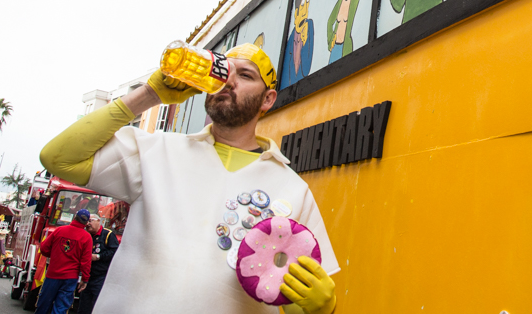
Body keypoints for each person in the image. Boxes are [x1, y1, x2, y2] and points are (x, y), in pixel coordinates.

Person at [40, 44, 339, 314]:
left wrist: (323, 309)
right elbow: (58, 159)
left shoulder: (294, 189)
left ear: (267, 99)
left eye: (245, 75)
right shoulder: (156, 150)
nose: (229, 81)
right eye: (224, 71)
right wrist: (150, 94)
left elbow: (294, 299)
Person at [34, 208, 92, 314]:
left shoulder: (60, 230)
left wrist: (55, 255)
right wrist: (85, 279)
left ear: (75, 217)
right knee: (61, 307)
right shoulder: (87, 237)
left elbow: (44, 248)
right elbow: (86, 261)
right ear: (87, 222)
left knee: (44, 304)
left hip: (53, 274)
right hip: (70, 277)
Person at [77, 214, 119, 313]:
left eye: (91, 221)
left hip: (101, 276)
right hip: (86, 276)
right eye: (87, 221)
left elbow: (115, 252)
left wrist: (98, 257)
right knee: (83, 306)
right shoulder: (85, 234)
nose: (88, 224)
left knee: (96, 305)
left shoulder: (108, 235)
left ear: (98, 221)